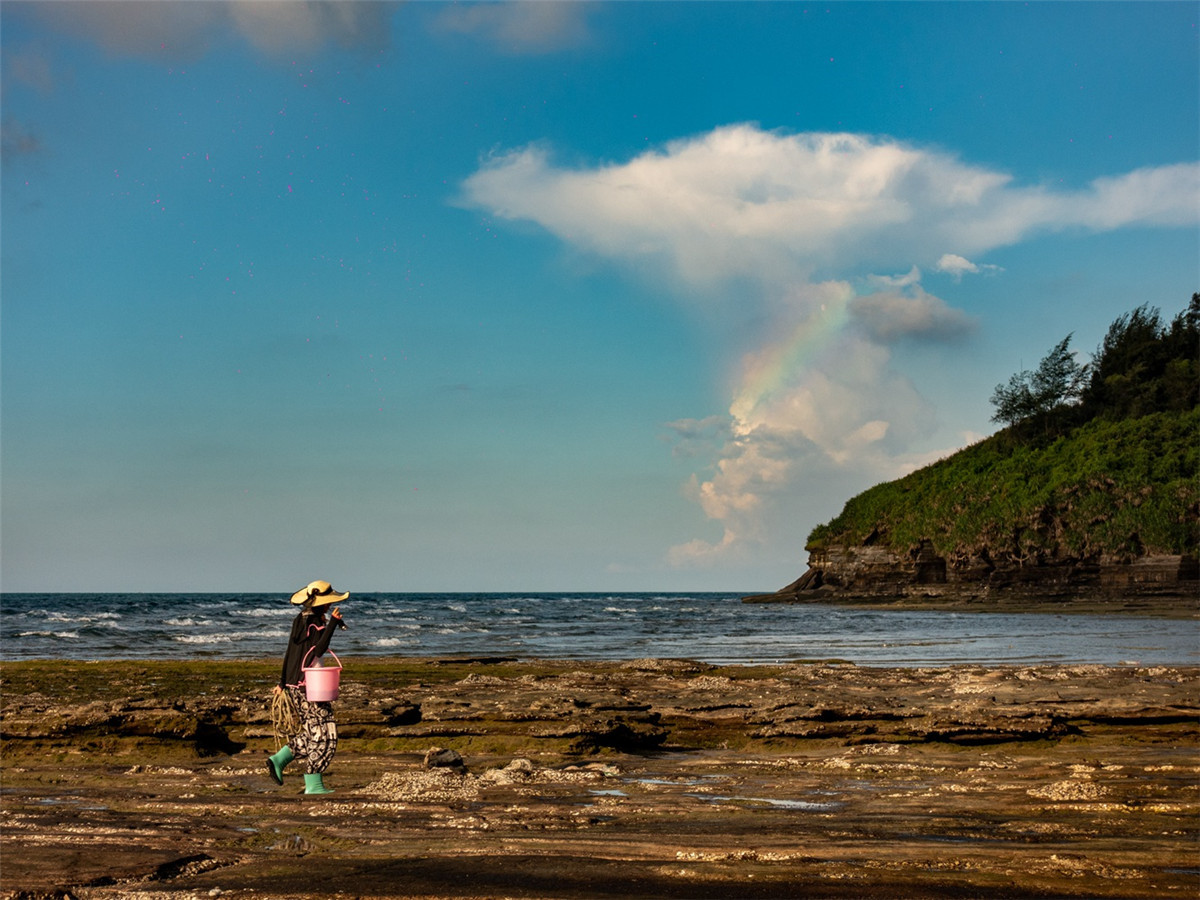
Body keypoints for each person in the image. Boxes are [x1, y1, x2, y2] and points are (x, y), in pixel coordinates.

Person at [266, 579, 348, 795]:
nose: (330, 605)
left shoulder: (299, 620)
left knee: (313, 732)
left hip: (294, 686)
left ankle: (279, 759)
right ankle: (313, 785)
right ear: (322, 603)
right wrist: (332, 624)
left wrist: (282, 682)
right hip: (309, 687)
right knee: (325, 733)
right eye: (328, 602)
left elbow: (291, 652)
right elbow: (319, 650)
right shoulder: (315, 623)